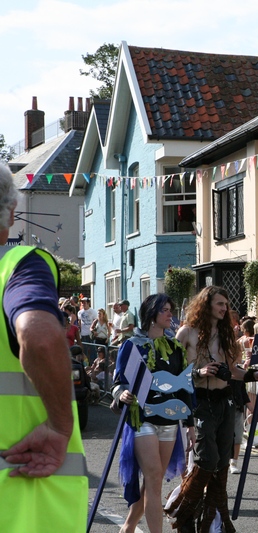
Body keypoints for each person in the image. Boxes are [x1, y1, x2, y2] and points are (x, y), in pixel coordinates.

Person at [0, 164, 87, 529]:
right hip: (21, 504)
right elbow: (39, 336)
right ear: (11, 213)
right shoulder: (19, 266)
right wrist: (58, 425)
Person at [165, 286, 258, 532]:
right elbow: (175, 373)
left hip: (225, 401)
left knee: (221, 463)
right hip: (199, 401)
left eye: (226, 305)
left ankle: (212, 521)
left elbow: (232, 372)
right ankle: (181, 508)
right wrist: (200, 371)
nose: (224, 309)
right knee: (206, 460)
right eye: (220, 304)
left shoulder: (227, 335)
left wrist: (253, 374)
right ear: (206, 304)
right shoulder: (186, 333)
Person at [112, 294, 194, 533]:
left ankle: (128, 527)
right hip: (143, 420)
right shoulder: (132, 345)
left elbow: (184, 387)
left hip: (169, 420)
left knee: (153, 482)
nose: (170, 314)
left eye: (171, 309)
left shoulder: (175, 347)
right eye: (165, 310)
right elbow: (118, 382)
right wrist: (121, 394)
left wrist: (189, 424)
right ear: (151, 314)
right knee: (154, 475)